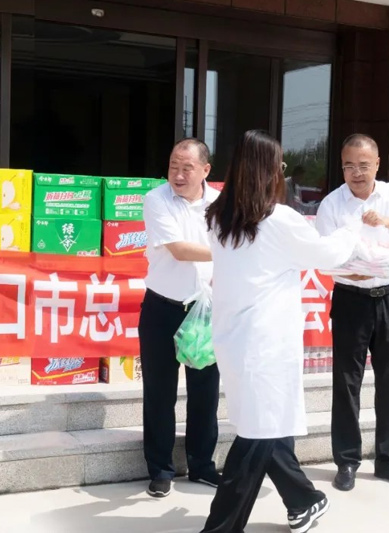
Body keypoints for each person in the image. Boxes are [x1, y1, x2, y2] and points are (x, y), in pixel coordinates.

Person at [201, 130, 358, 533]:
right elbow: (329, 255)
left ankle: (304, 501)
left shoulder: (218, 217)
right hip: (266, 345)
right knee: (257, 436)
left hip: (234, 339)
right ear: (269, 171)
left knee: (266, 427)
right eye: (280, 166)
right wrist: (351, 227)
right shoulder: (278, 220)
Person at [315, 134, 389, 492]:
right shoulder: (332, 204)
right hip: (350, 299)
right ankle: (346, 461)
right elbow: (324, 256)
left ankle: (388, 459)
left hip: (388, 298)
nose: (356, 173)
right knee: (347, 382)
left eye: (363, 165)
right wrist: (351, 273)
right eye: (349, 166)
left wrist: (385, 221)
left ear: (377, 164)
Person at [139, 138, 221, 498]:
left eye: (187, 167)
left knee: (206, 392)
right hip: (163, 308)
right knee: (159, 392)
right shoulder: (156, 199)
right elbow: (179, 249)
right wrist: (228, 251)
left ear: (205, 170)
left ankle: (202, 465)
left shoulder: (221, 204)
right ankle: (160, 470)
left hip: (206, 310)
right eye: (174, 165)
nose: (179, 174)